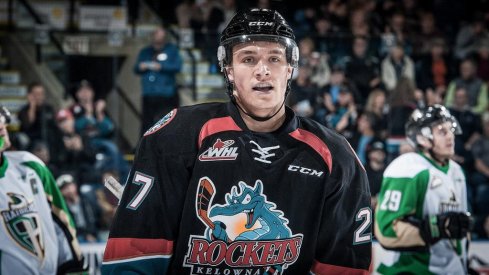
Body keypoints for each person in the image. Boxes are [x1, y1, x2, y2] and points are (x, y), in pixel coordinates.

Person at [103, 9, 372, 274]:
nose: (263, 70)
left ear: (290, 69)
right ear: (229, 70)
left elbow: (343, 267)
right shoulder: (176, 136)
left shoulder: (336, 156)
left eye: (275, 59)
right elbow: (133, 260)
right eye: (248, 59)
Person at [375, 104, 472, 274]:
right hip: (411, 270)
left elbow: (460, 229)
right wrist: (434, 228)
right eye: (442, 131)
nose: (450, 136)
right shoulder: (408, 169)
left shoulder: (456, 171)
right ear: (422, 138)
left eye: (451, 129)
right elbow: (387, 230)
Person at [0, 106, 86, 274]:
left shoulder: (30, 165)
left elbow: (62, 223)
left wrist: (76, 270)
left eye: (2, 122)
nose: (2, 127)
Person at [134, 26, 183, 135]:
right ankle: (145, 147)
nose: (158, 37)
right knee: (147, 122)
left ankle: (166, 147)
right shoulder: (145, 52)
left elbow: (177, 66)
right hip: (148, 93)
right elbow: (136, 69)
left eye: (161, 34)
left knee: (166, 122)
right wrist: (141, 66)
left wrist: (161, 66)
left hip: (166, 93)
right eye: (156, 34)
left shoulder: (171, 50)